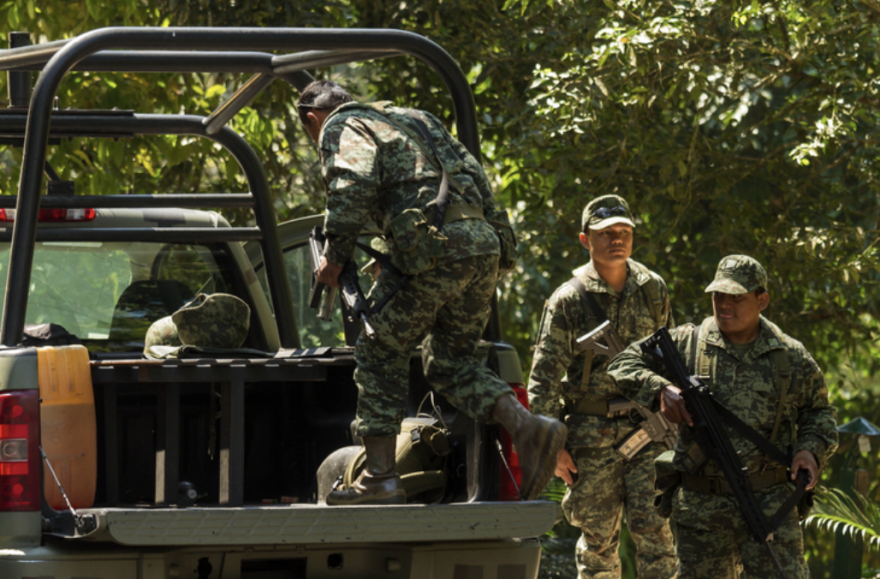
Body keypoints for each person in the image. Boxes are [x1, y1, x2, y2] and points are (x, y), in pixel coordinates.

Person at [298, 80, 567, 505]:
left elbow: (352, 183)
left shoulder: (341, 125)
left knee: (379, 349)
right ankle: (529, 427)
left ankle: (381, 478)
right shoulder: (414, 119)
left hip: (435, 252)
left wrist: (334, 256)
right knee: (449, 361)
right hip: (482, 247)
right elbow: (473, 177)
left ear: (312, 119)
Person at [607, 255, 838, 578]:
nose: (724, 305)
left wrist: (809, 450)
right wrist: (661, 390)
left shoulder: (789, 355)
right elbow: (621, 364)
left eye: (737, 297)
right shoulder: (689, 342)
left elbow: (820, 414)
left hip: (769, 505)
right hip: (702, 510)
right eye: (718, 296)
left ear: (762, 300)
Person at [527, 194, 677, 578]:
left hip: (651, 433)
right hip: (590, 441)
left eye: (624, 231)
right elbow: (542, 383)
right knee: (597, 547)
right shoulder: (568, 300)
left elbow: (670, 360)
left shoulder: (652, 289)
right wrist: (553, 449)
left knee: (659, 537)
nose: (617, 239)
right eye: (606, 232)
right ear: (585, 240)